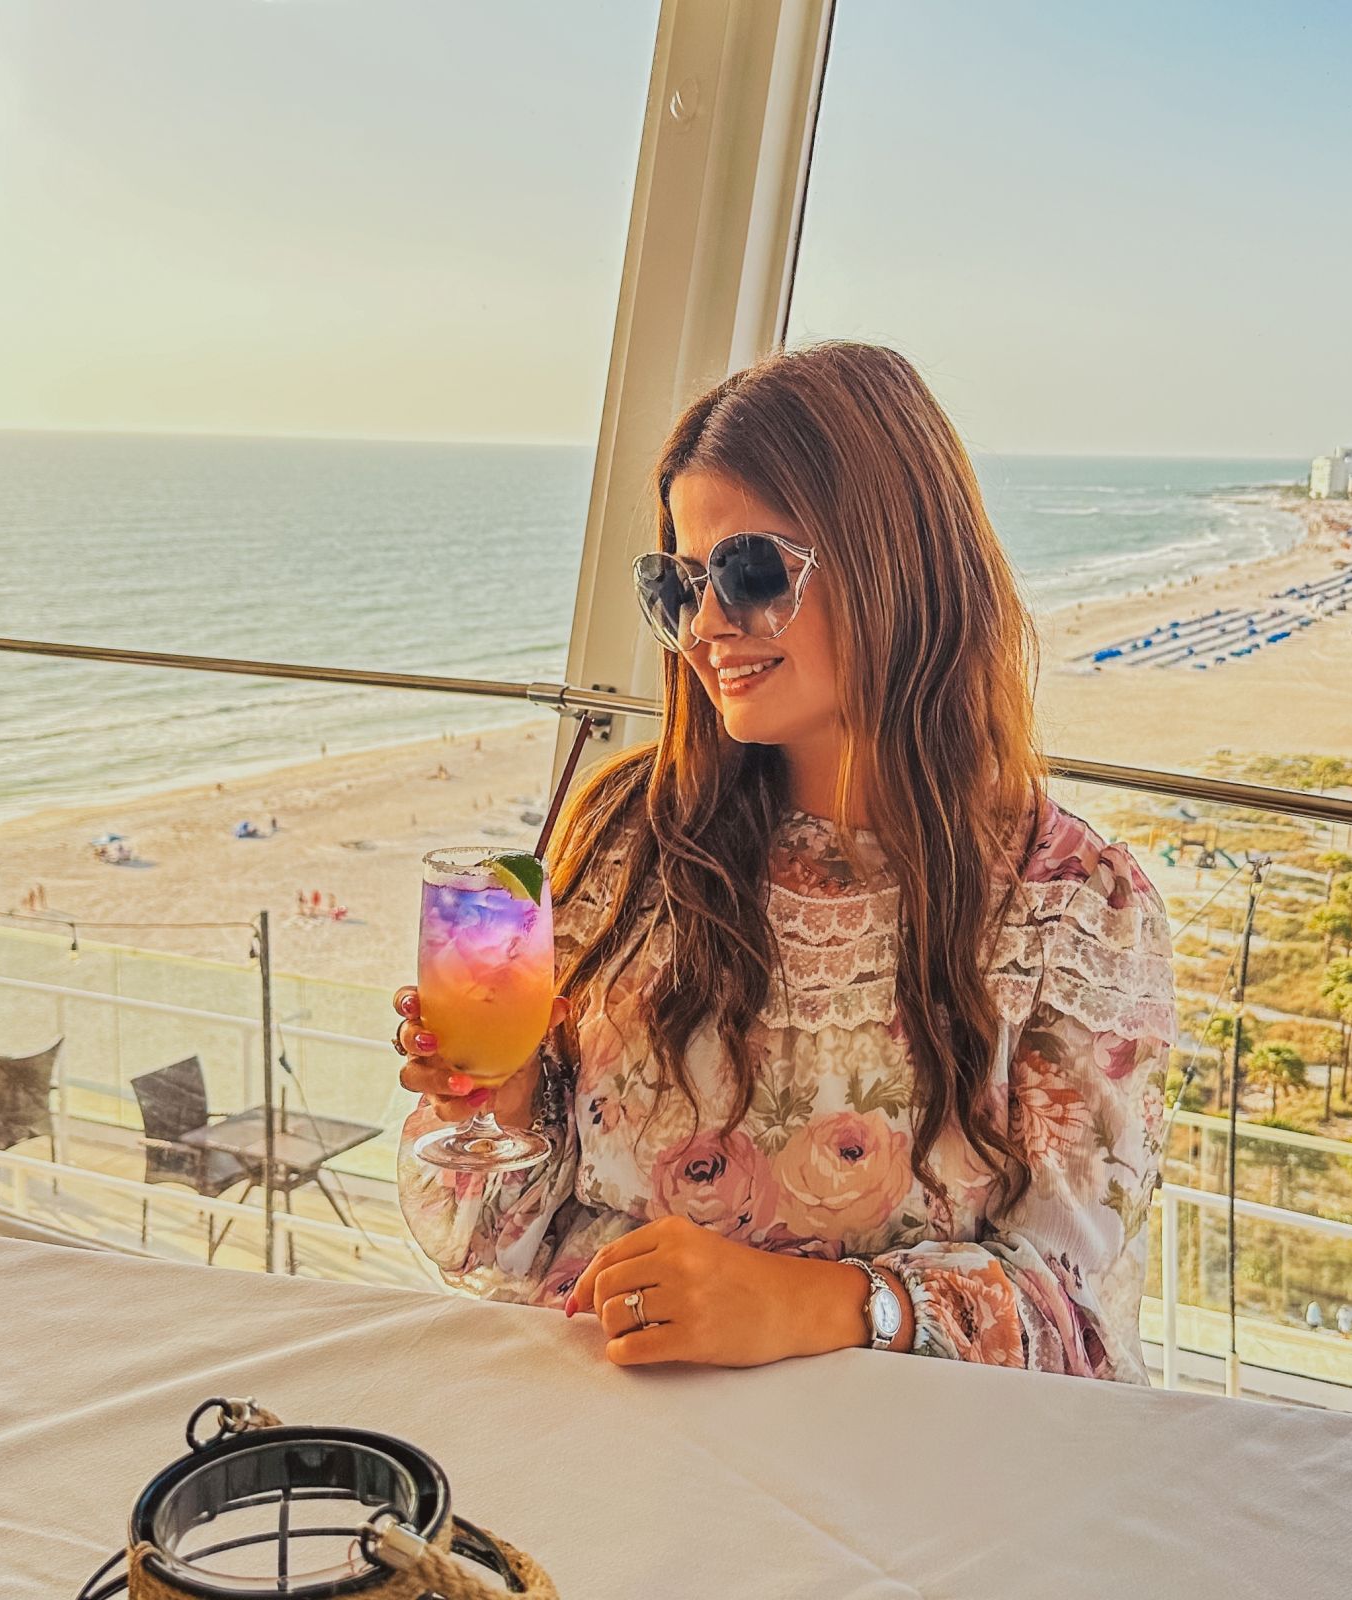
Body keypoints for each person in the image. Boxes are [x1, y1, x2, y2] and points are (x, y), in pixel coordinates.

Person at [393, 343, 1176, 1379]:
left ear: (898, 559)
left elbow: (1069, 1319)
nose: (709, 625)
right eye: (678, 586)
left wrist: (810, 1304)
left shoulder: (1075, 905)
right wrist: (496, 1102)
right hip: (600, 1428)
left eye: (750, 572)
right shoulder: (628, 836)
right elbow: (495, 1246)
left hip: (889, 1483)